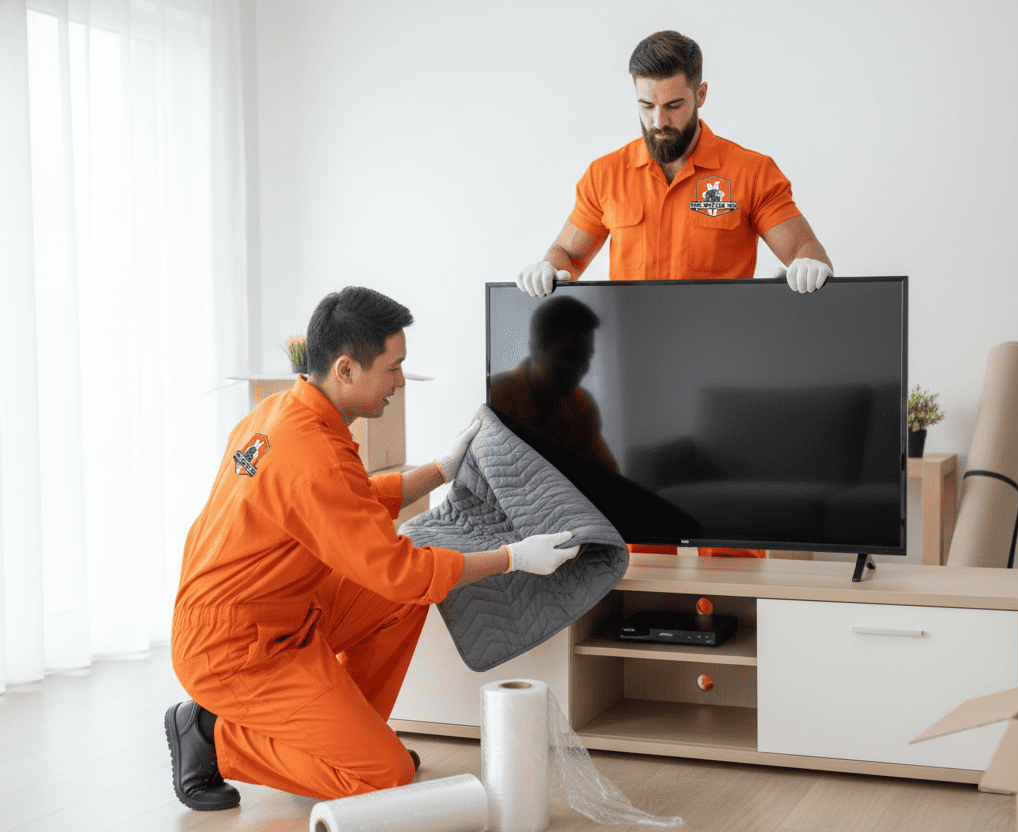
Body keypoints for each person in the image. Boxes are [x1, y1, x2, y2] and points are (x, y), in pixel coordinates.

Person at [166, 287, 580, 810]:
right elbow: (400, 569)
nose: (401, 382)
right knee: (383, 779)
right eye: (394, 367)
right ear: (346, 369)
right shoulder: (311, 454)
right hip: (234, 649)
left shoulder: (282, 412)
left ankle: (350, 739)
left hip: (281, 611)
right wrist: (513, 558)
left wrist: (439, 469)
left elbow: (347, 503)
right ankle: (209, 733)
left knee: (403, 603)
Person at [517, 30, 834, 558]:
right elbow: (567, 255)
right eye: (646, 105)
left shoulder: (750, 172)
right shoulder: (604, 176)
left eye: (673, 105)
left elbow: (806, 247)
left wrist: (806, 265)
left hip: (727, 385)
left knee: (732, 541)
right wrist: (546, 269)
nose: (659, 120)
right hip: (642, 392)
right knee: (639, 541)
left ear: (701, 95)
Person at [490, 295, 618, 471]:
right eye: (569, 356)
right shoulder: (495, 397)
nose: (579, 369)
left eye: (586, 357)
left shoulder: (582, 405)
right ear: (535, 349)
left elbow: (608, 476)